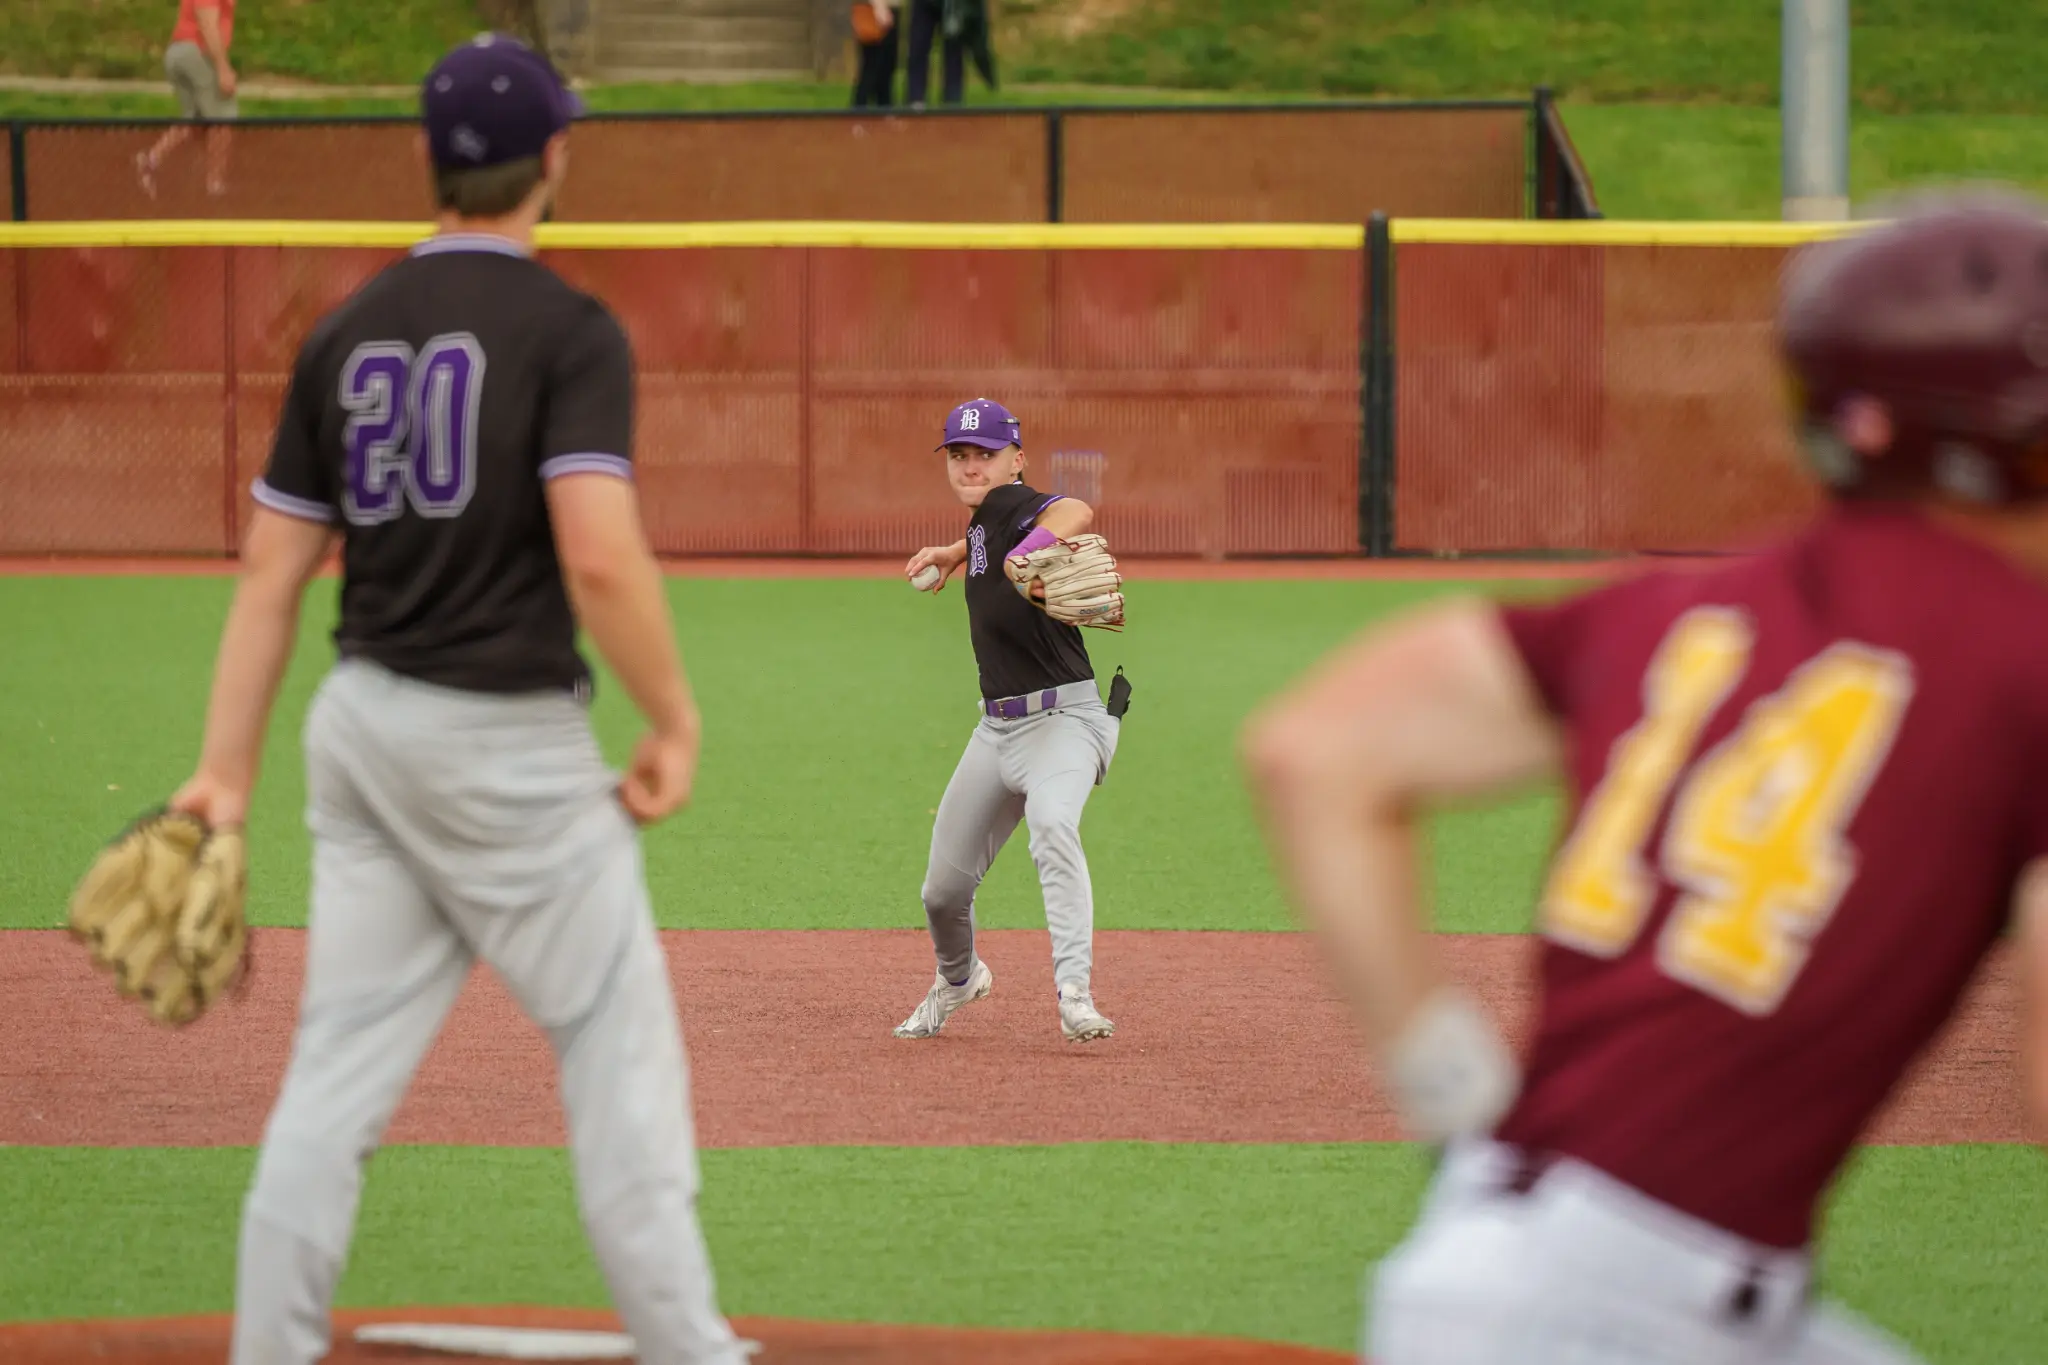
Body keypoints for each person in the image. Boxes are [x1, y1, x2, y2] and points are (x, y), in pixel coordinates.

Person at [1240, 187, 2048, 1365]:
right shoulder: (2020, 663)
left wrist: (1457, 1104)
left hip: (1518, 1260)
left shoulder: (1672, 608)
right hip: (1624, 1318)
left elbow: (1310, 750)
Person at [165, 32, 750, 1365]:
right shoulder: (569, 331)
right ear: (553, 160)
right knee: (616, 1048)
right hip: (505, 747)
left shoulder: (345, 330)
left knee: (336, 1070)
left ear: (430, 164)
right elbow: (598, 551)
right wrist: (673, 719)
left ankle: (269, 1346)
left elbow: (271, 578)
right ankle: (688, 1347)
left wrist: (222, 773)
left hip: (362, 727)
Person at [896, 398, 1126, 1043]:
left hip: (1066, 722)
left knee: (1053, 824)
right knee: (942, 893)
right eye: (960, 455)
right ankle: (961, 977)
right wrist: (952, 552)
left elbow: (1074, 511)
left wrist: (1036, 550)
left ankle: (1075, 992)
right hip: (995, 732)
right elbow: (984, 542)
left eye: (986, 454)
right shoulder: (982, 525)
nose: (972, 465)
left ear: (1017, 459)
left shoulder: (1022, 507)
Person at [136, 0, 238, 199]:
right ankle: (215, 184)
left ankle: (150, 161)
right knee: (223, 119)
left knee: (193, 120)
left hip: (180, 52)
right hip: (197, 53)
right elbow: (207, 23)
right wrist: (223, 68)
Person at [850, 0, 899, 108]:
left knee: (885, 71)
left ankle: (883, 112)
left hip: (887, 8)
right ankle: (858, 113)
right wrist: (879, 5)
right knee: (873, 68)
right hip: (875, 10)